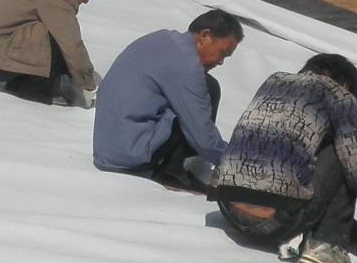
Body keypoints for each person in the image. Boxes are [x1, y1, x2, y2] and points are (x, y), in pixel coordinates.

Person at [211, 54, 357, 263]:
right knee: (344, 151)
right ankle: (327, 245)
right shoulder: (340, 96)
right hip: (275, 223)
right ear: (345, 85)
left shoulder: (274, 81)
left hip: (228, 207)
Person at [91, 11, 243, 191]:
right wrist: (234, 162)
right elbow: (203, 137)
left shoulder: (161, 40)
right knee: (208, 89)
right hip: (130, 157)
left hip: (106, 148)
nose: (220, 62)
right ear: (205, 36)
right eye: (222, 53)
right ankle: (172, 171)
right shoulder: (186, 67)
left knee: (203, 86)